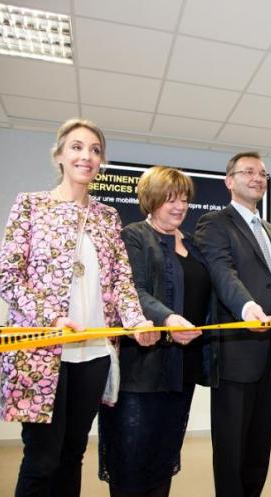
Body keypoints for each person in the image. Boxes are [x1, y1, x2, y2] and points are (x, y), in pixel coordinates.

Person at [0, 118, 151, 497]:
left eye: (95, 150)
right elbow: (7, 278)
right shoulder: (31, 206)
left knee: (73, 454)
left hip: (94, 353)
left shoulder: (107, 217)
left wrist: (136, 321)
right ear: (60, 155)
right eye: (78, 147)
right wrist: (52, 318)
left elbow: (121, 283)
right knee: (42, 458)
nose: (87, 156)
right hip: (43, 353)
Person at [98, 166, 213, 497]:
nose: (179, 207)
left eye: (184, 199)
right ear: (151, 200)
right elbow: (132, 290)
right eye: (169, 199)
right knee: (131, 462)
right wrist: (169, 319)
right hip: (141, 371)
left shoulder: (192, 244)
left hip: (181, 370)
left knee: (163, 459)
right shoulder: (134, 236)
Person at [193, 151, 271, 497]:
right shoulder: (214, 223)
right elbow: (222, 273)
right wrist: (247, 306)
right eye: (248, 172)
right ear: (229, 181)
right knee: (232, 448)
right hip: (235, 356)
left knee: (259, 446)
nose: (257, 178)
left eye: (262, 173)